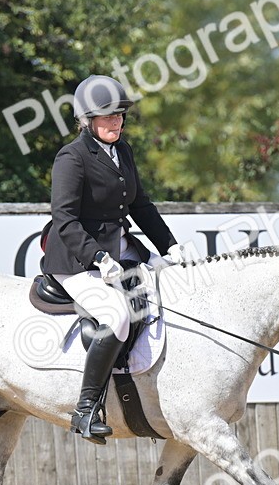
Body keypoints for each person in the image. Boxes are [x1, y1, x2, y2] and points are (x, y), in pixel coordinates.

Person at [41, 75, 184, 444]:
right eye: (108, 117)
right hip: (76, 259)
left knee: (173, 290)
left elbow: (140, 206)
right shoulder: (71, 157)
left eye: (120, 115)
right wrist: (98, 256)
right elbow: (64, 219)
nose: (116, 122)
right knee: (117, 315)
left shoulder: (123, 151)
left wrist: (170, 246)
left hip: (121, 252)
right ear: (87, 120)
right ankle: (86, 410)